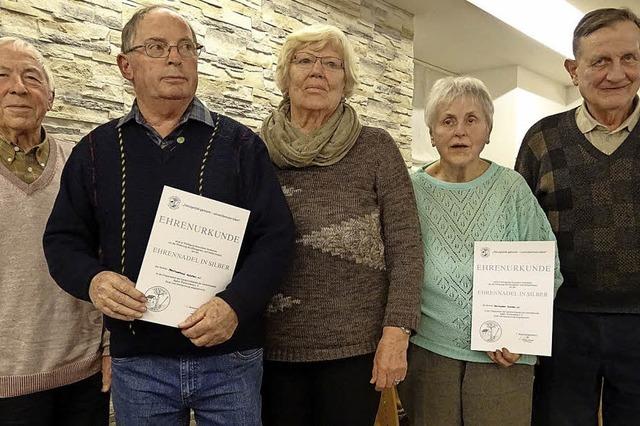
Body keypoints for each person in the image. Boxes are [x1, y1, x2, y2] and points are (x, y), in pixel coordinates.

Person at [43, 6, 294, 425]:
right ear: (126, 65)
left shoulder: (240, 146)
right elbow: (62, 240)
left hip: (230, 356)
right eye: (157, 47)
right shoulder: (95, 150)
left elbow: (276, 238)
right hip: (138, 361)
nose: (175, 58)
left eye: (186, 48)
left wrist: (236, 305)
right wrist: (93, 280)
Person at [259, 24, 423, 426]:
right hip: (270, 347)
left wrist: (397, 331)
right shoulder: (253, 150)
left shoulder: (376, 147)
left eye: (331, 64)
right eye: (304, 60)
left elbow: (406, 245)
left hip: (356, 350)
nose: (318, 71)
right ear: (285, 75)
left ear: (345, 82)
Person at [398, 76, 563, 426]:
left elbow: (548, 269)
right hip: (430, 352)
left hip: (503, 356)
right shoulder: (409, 191)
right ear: (431, 133)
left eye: (472, 120)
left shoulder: (511, 189)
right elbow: (396, 267)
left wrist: (520, 334)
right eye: (447, 121)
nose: (460, 132)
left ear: (488, 131)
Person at [516, 8, 640, 426]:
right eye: (600, 61)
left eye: (629, 58)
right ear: (573, 70)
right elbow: (518, 237)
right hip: (560, 323)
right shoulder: (541, 139)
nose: (616, 73)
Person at [0, 37, 110, 425]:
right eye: (2, 75)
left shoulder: (83, 162)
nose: (17, 87)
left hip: (82, 373)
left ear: (50, 94)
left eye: (31, 76)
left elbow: (110, 254)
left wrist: (111, 348)